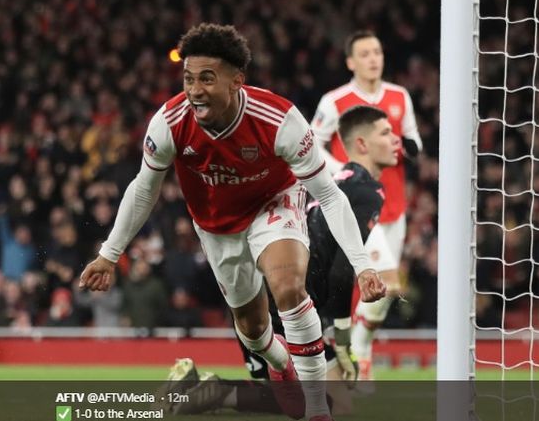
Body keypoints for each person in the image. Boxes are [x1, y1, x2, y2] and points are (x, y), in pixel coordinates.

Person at [79, 23, 386, 421]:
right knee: (254, 331)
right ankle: (280, 362)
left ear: (237, 80)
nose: (195, 89)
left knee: (289, 288)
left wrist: (363, 267)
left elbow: (328, 193)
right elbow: (143, 189)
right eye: (189, 79)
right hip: (217, 227)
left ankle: (315, 411)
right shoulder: (170, 122)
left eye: (207, 78)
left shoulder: (280, 120)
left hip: (273, 202)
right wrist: (109, 254)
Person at [160, 106, 400, 417]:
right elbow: (342, 274)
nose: (395, 139)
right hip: (295, 298)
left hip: (260, 289)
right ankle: (216, 392)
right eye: (385, 132)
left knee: (292, 395)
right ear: (362, 144)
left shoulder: (331, 179)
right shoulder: (367, 189)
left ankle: (210, 392)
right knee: (331, 404)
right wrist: (343, 343)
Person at [311, 30, 423, 382]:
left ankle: (359, 357)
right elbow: (312, 144)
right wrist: (341, 169)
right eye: (365, 53)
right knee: (385, 282)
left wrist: (405, 148)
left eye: (377, 51)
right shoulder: (335, 101)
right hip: (357, 205)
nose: (373, 58)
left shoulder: (399, 96)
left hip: (395, 207)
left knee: (380, 291)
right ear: (351, 61)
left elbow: (413, 139)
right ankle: (356, 354)